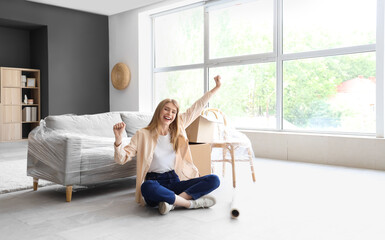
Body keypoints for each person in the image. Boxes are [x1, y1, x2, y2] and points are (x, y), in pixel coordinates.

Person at [113, 75, 222, 215]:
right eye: (166, 109)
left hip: (174, 180)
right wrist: (118, 139)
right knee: (147, 187)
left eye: (173, 111)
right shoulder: (143, 134)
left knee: (214, 179)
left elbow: (197, 107)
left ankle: (171, 203)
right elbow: (121, 159)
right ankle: (189, 203)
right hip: (155, 182)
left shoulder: (179, 127)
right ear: (159, 111)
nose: (169, 114)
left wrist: (216, 88)